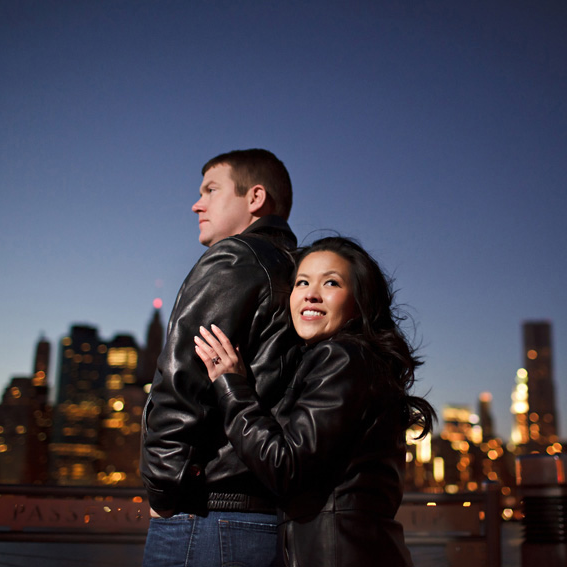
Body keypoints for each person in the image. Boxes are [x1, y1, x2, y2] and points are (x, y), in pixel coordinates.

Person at [194, 236, 436, 567]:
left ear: (358, 301)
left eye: (331, 282)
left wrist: (231, 386)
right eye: (302, 282)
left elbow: (285, 466)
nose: (311, 293)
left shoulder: (342, 358)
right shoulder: (359, 362)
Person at [141, 149, 297, 567]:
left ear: (255, 198)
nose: (197, 203)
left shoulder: (234, 258)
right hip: (269, 520)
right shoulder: (296, 272)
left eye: (211, 189)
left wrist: (164, 493)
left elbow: (181, 385)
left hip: (209, 516)